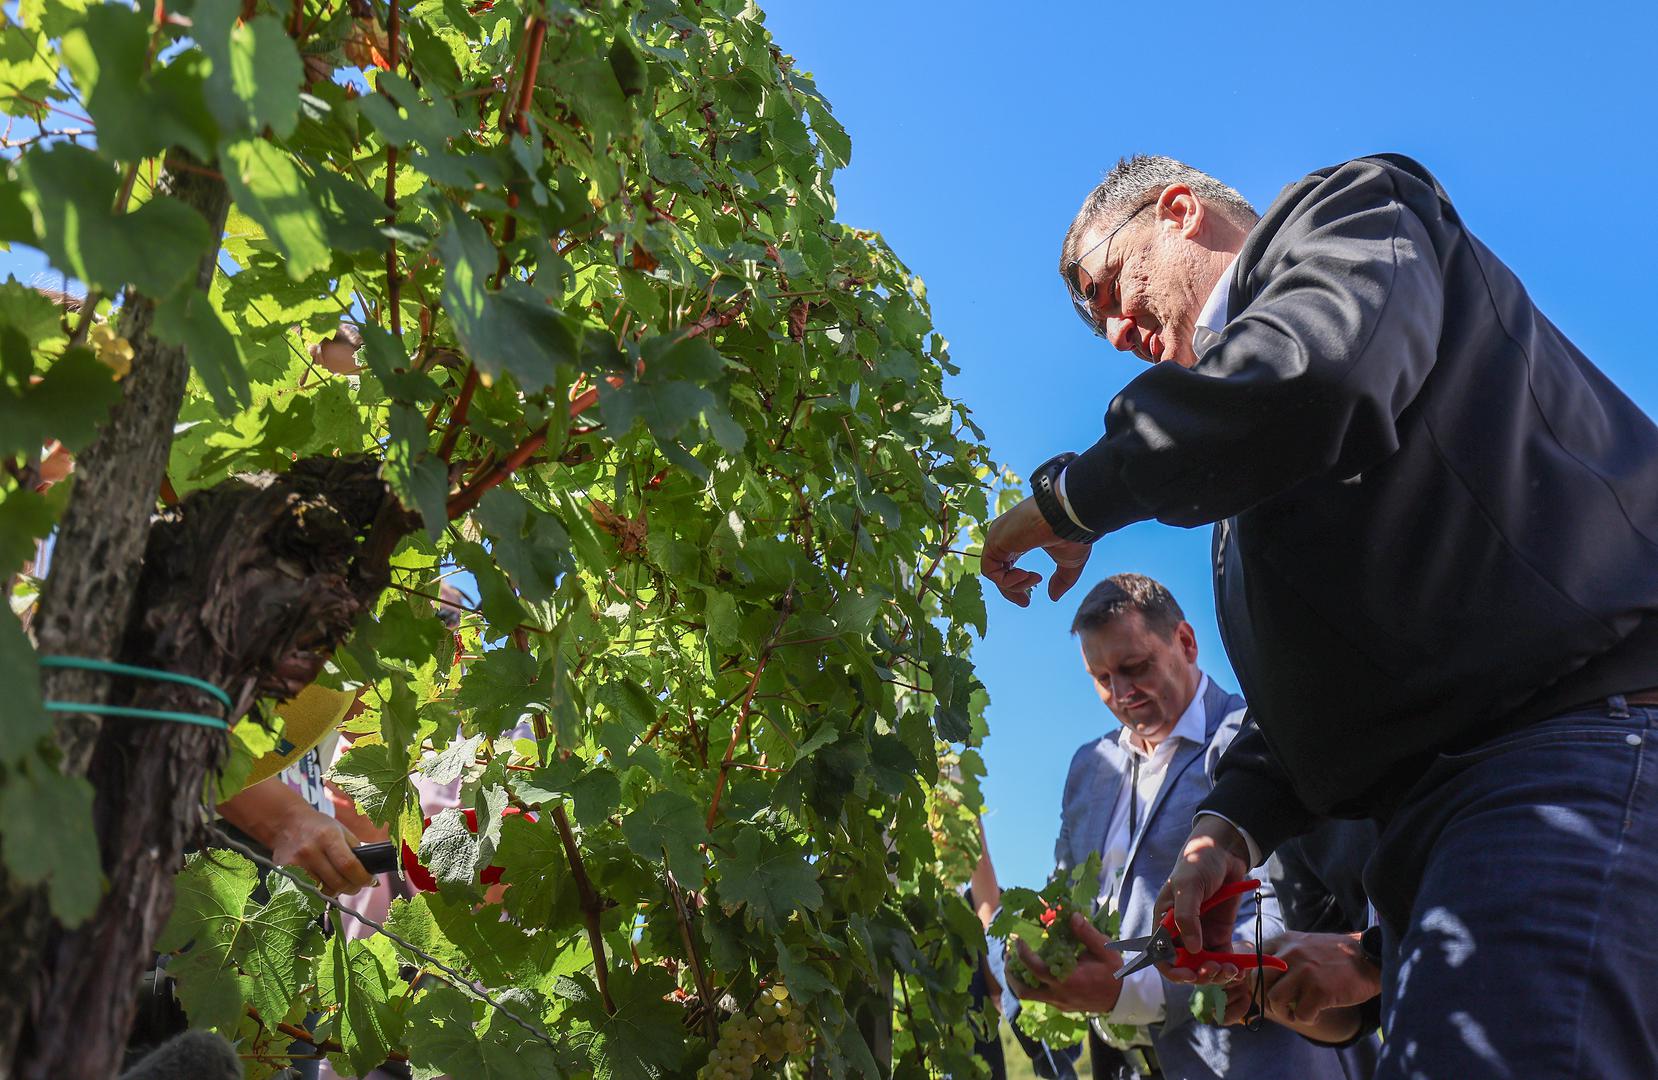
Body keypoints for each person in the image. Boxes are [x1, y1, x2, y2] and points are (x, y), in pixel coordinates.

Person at [979, 152, 1658, 1079]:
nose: (1116, 331)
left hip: (1564, 754)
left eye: (1109, 288)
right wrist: (1227, 829)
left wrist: (1070, 500)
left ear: (1178, 210)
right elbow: (1326, 682)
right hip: (1459, 816)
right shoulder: (1253, 469)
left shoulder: (1351, 215)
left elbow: (1310, 380)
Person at [1006, 574, 1357, 1080]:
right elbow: (1068, 893)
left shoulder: (1255, 744)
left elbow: (1281, 913)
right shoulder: (1088, 769)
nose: (1120, 693)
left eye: (1135, 667)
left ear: (1187, 643)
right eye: (1101, 678)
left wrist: (1129, 990)